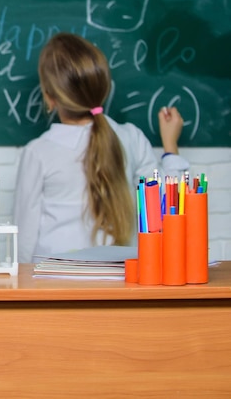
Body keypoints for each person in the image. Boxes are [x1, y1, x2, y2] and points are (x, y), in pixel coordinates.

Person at [14, 33, 189, 263]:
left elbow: (24, 240)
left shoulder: (38, 153)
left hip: (54, 284)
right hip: (119, 282)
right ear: (102, 88)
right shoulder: (131, 138)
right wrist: (170, 146)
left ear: (49, 98)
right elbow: (170, 205)